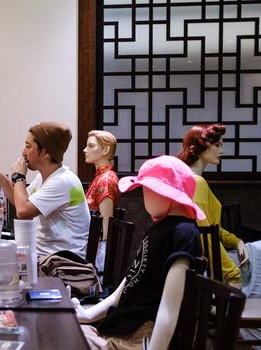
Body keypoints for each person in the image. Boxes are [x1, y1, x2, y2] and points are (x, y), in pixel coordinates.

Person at [74, 155, 203, 349]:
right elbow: (128, 285)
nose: (143, 195)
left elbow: (169, 308)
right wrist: (87, 315)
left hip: (138, 336)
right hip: (119, 328)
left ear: (166, 193)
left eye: (146, 189)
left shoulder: (184, 233)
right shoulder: (161, 228)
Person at [0, 121, 90, 258]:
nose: (23, 153)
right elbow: (19, 200)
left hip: (63, 261)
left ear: (46, 153)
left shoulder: (62, 182)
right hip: (44, 255)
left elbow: (23, 211)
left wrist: (18, 176)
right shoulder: (44, 178)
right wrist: (0, 176)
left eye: (28, 146)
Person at [177, 123, 248, 288]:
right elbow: (205, 232)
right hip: (203, 261)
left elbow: (210, 226)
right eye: (217, 145)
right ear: (200, 147)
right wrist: (231, 272)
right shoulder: (196, 182)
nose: (221, 150)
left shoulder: (188, 178)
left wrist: (237, 241)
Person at [83, 130, 120, 271]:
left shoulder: (106, 180)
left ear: (105, 149)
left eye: (91, 146)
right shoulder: (100, 177)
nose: (85, 150)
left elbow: (106, 225)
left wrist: (101, 257)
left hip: (98, 249)